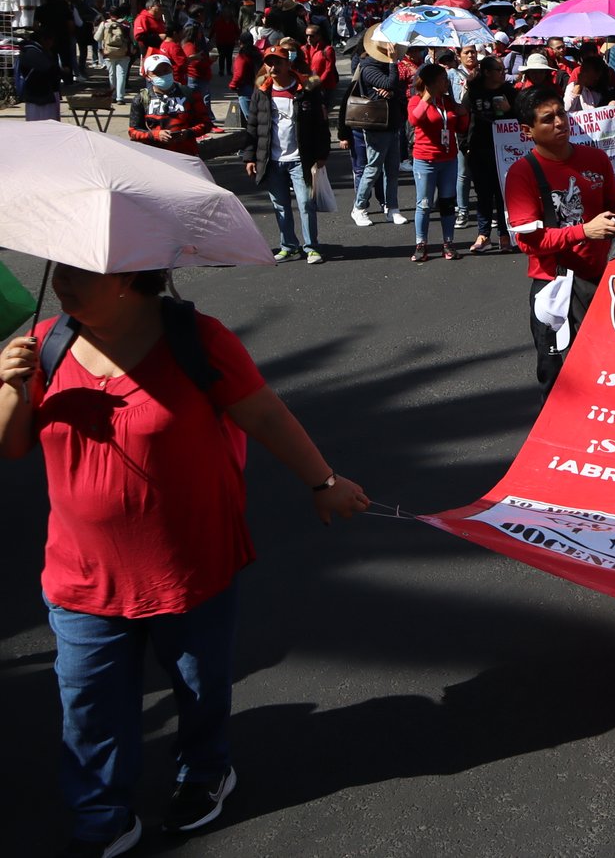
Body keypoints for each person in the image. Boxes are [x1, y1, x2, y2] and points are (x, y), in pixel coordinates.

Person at [0, 264, 368, 853]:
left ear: (125, 276)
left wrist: (323, 481)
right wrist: (9, 387)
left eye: (76, 273)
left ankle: (204, 771)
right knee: (88, 705)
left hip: (188, 564)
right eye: (59, 271)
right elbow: (9, 445)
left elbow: (265, 413)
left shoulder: (198, 340)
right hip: (83, 573)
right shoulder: (46, 342)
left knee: (199, 689)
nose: (61, 283)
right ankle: (102, 814)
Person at [502, 90, 615, 388]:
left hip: (601, 281)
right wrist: (584, 231)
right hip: (553, 286)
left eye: (562, 114)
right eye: (548, 119)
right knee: (556, 377)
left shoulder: (595, 158)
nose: (559, 122)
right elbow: (528, 243)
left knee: (605, 370)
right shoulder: (522, 174)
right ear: (527, 131)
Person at [243, 50, 332, 265]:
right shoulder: (262, 91)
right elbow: (253, 126)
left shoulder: (307, 90)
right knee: (280, 205)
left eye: (278, 62)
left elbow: (321, 125)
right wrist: (250, 157)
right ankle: (289, 246)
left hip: (301, 159)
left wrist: (322, 154)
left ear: (288, 64)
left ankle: (311, 247)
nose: (273, 67)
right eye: (269, 63)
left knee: (305, 203)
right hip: (272, 160)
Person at [407, 62, 470, 263]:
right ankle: (421, 244)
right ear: (431, 82)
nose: (447, 82)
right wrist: (428, 96)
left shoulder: (447, 102)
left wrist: (463, 113)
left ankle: (448, 243)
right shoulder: (416, 100)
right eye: (443, 79)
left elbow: (461, 127)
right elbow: (415, 120)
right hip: (425, 159)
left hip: (448, 159)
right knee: (424, 203)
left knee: (447, 202)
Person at [347, 42, 408, 227]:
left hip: (393, 123)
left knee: (392, 170)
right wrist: (392, 63)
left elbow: (397, 88)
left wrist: (391, 91)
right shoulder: (369, 66)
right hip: (377, 125)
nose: (394, 51)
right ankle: (359, 208)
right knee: (373, 168)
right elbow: (390, 82)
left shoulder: (388, 66)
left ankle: (393, 208)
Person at [463, 52, 516, 255]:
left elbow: (521, 119)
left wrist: (509, 109)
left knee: (503, 194)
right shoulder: (473, 93)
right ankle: (483, 235)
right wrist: (464, 145)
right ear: (486, 72)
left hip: (504, 152)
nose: (503, 74)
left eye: (504, 70)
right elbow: (463, 120)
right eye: (499, 70)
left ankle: (505, 235)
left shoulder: (510, 92)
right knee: (483, 194)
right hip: (478, 149)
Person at [127, 54, 214, 156]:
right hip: (154, 157)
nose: (163, 75)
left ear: (172, 70)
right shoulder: (141, 99)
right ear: (147, 76)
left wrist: (187, 133)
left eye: (166, 70)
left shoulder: (190, 94)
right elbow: (133, 131)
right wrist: (155, 135)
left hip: (186, 155)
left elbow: (206, 124)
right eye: (157, 73)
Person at [19, 26, 65, 122]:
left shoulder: (36, 51)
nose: (52, 44)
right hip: (39, 96)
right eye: (51, 40)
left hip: (42, 94)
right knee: (42, 123)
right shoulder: (33, 52)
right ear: (44, 40)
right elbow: (47, 69)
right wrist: (61, 71)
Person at [93, 12, 132, 103]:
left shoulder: (105, 23)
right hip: (123, 53)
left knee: (112, 74)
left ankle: (113, 95)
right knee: (121, 75)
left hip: (109, 53)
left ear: (110, 15)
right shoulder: (126, 24)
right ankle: (120, 98)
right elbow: (133, 38)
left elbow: (97, 38)